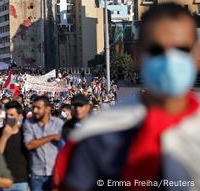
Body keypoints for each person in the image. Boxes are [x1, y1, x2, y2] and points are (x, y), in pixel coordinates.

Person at [62, 3, 200, 190]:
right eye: (156, 50)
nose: (170, 60)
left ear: (196, 55)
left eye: (182, 50)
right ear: (138, 56)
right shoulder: (98, 134)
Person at [23, 96, 64, 191]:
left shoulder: (58, 123)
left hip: (55, 173)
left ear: (48, 109)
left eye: (38, 108)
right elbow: (29, 145)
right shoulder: (28, 123)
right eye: (33, 107)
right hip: (37, 175)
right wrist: (52, 137)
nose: (35, 110)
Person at [0, 101, 29, 191]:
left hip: (20, 181)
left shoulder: (25, 134)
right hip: (2, 179)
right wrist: (4, 136)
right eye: (6, 115)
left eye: (12, 115)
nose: (8, 118)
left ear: (19, 116)